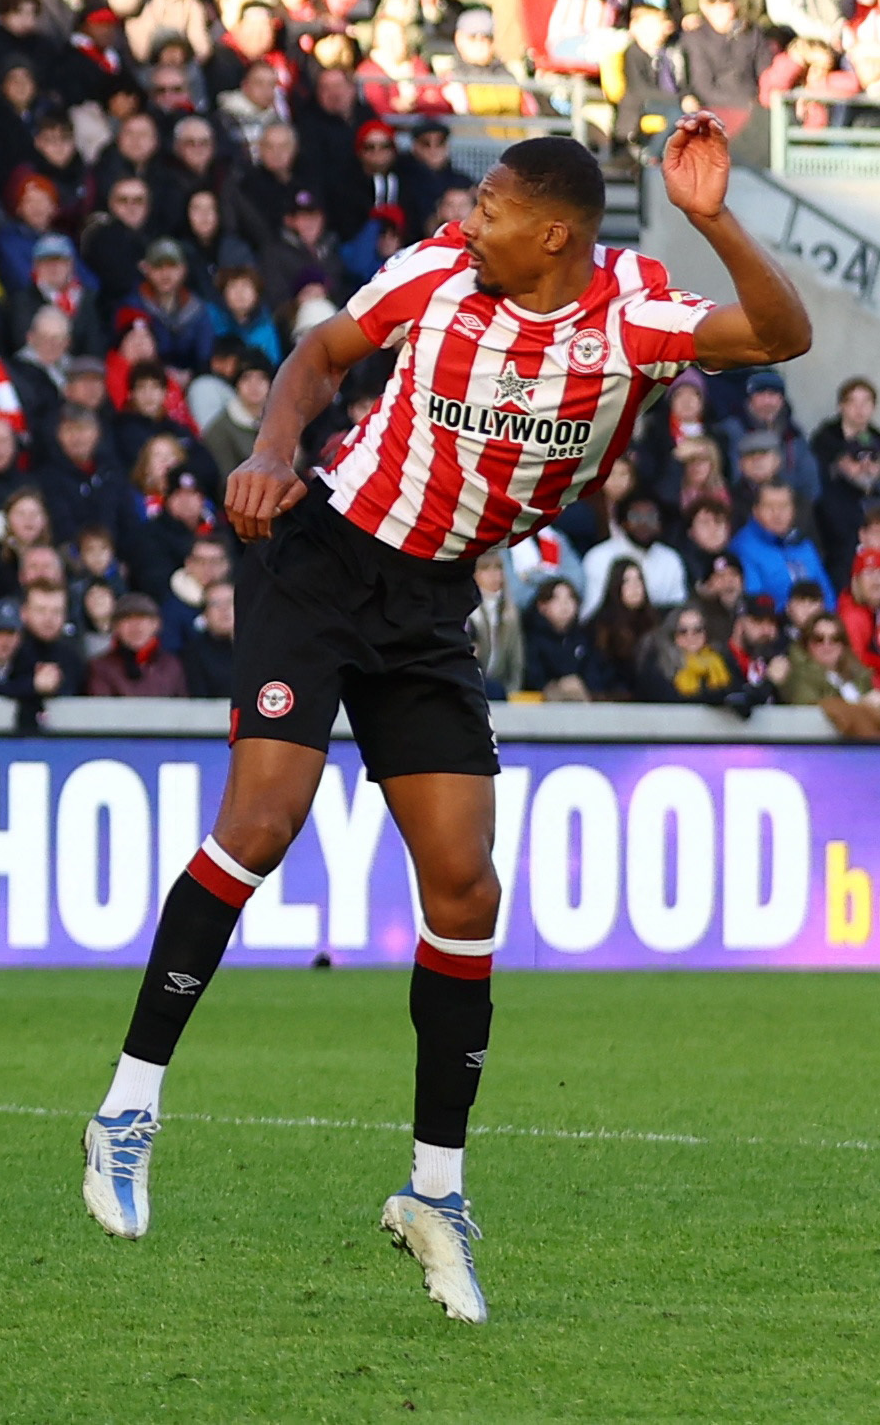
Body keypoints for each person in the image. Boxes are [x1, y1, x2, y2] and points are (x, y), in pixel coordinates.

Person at [82, 118, 811, 1326]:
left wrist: (711, 218)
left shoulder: (628, 312)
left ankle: (433, 1194)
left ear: (553, 235)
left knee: (465, 891)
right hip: (318, 561)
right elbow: (316, 356)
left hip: (427, 604)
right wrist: (272, 450)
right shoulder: (433, 272)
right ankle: (125, 1109)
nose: (466, 220)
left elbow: (778, 334)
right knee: (261, 822)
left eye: (490, 209)